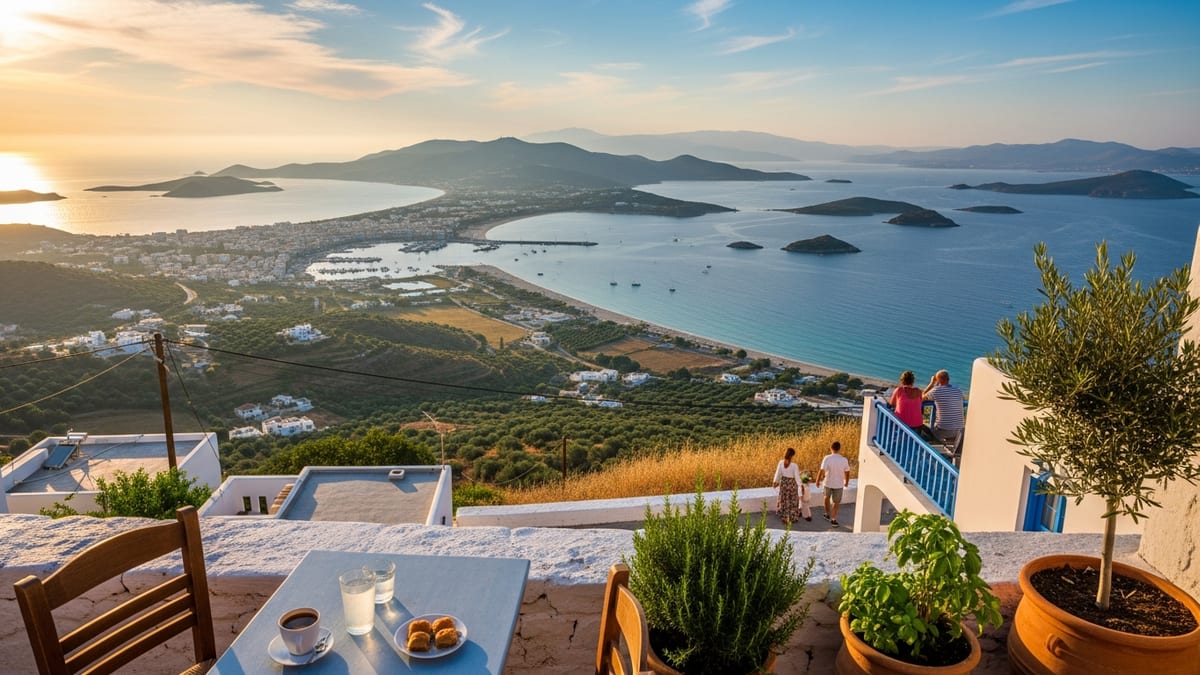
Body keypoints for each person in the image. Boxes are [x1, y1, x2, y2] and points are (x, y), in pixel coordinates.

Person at [923, 369, 966, 450]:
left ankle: (931, 450)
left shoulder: (936, 390)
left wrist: (931, 383)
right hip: (959, 431)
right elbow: (962, 399)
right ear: (948, 379)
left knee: (924, 429)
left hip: (942, 430)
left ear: (938, 380)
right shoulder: (958, 390)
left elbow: (922, 398)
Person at [816, 441, 851, 527]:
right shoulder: (844, 460)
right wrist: (846, 481)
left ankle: (827, 514)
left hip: (827, 482)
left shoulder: (827, 458)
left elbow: (821, 470)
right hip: (839, 484)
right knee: (836, 502)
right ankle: (834, 519)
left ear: (831, 448)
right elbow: (847, 472)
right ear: (839, 449)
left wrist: (817, 480)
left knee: (826, 497)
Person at [771, 447, 805, 524]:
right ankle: (791, 517)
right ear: (792, 455)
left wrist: (775, 482)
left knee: (784, 500)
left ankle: (784, 517)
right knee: (792, 500)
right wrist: (801, 485)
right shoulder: (794, 465)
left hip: (783, 483)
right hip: (792, 484)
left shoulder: (781, 462)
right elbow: (797, 477)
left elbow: (778, 473)